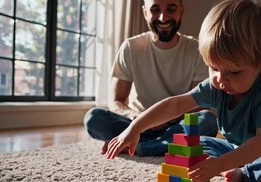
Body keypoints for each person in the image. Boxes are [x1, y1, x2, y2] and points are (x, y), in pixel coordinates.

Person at [104, 0, 261, 182]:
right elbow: (176, 105)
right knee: (197, 142)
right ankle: (148, 146)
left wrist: (220, 165)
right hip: (236, 147)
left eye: (234, 71)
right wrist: (135, 127)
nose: (220, 79)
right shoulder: (217, 86)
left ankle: (246, 173)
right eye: (213, 68)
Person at [84, 0, 218, 157]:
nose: (163, 18)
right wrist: (139, 118)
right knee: (93, 117)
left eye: (171, 9)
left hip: (175, 125)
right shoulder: (131, 47)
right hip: (135, 124)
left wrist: (165, 119)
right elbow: (116, 101)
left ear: (181, 10)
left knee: (208, 120)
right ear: (145, 12)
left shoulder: (197, 50)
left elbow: (198, 105)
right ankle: (159, 145)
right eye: (155, 10)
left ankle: (138, 147)